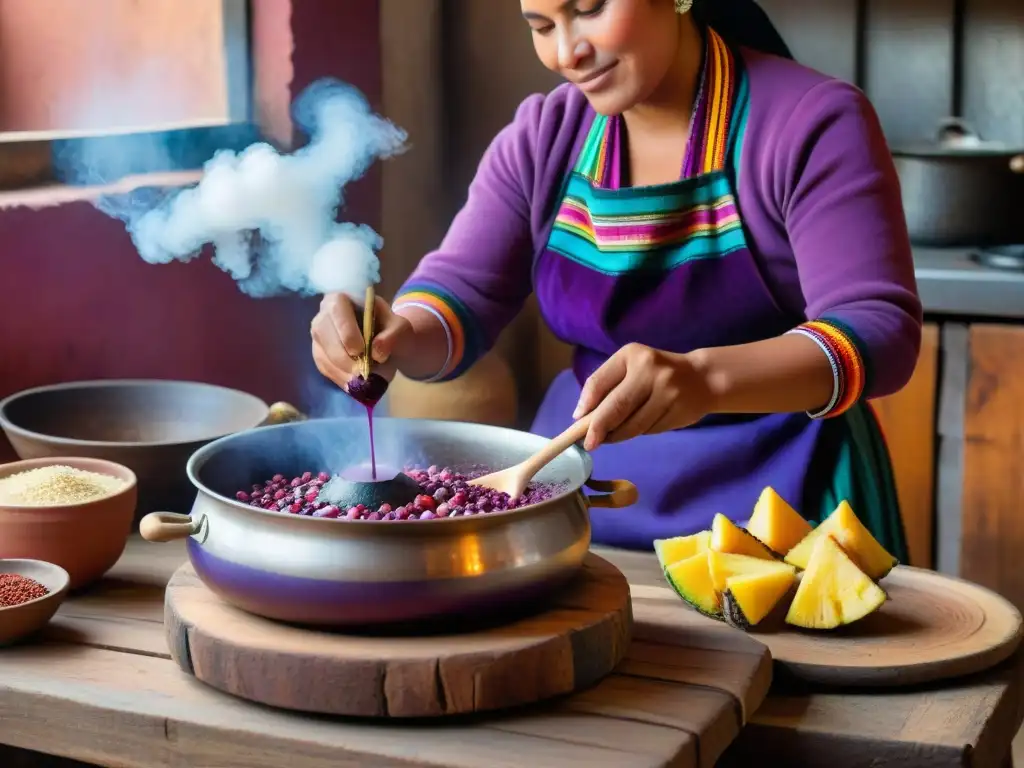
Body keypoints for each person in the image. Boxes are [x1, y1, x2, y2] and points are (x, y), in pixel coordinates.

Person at [310, 0, 923, 560]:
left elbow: (879, 333)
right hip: (574, 503)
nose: (568, 52)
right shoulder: (545, 136)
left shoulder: (810, 122)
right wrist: (392, 337)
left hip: (787, 509)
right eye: (542, 26)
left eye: (590, 9)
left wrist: (703, 381)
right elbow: (459, 295)